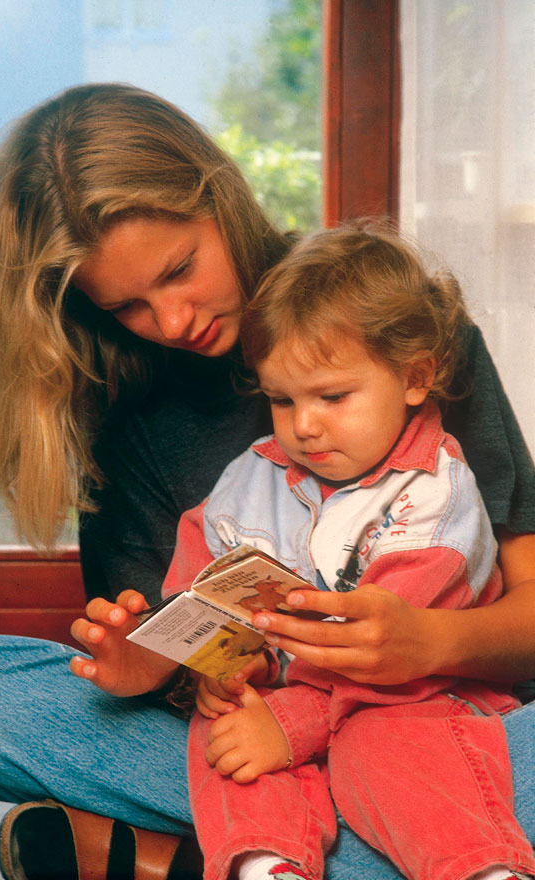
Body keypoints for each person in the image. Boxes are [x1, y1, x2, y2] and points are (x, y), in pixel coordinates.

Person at [0, 82, 533, 880]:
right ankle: (434, 846)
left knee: (409, 748)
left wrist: (432, 642)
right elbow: (188, 677)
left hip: (438, 715)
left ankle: (203, 855)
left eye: (181, 269)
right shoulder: (135, 413)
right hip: (260, 731)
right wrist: (151, 666)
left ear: (220, 198)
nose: (173, 320)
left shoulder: (389, 316)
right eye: (129, 307)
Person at [156, 225, 535, 880]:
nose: (304, 424)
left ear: (416, 378)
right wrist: (211, 672)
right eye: (281, 400)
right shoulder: (255, 471)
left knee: (380, 746)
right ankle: (267, 863)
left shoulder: (436, 490)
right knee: (220, 740)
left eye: (332, 397)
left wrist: (290, 729)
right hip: (279, 695)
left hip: (411, 703)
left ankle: (476, 867)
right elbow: (197, 583)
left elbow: (374, 660)